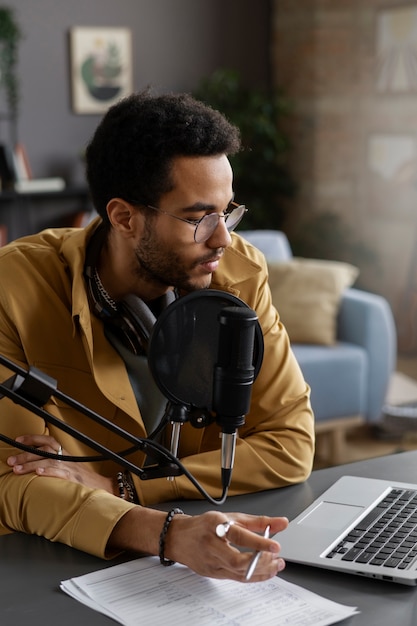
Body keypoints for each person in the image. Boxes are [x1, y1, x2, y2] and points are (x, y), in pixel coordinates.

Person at [0, 90, 314, 582]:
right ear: (124, 217)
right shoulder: (14, 288)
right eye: (198, 218)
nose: (223, 239)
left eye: (228, 211)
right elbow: (14, 482)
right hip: (54, 569)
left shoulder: (239, 273)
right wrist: (168, 533)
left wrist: (124, 487)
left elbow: (289, 444)